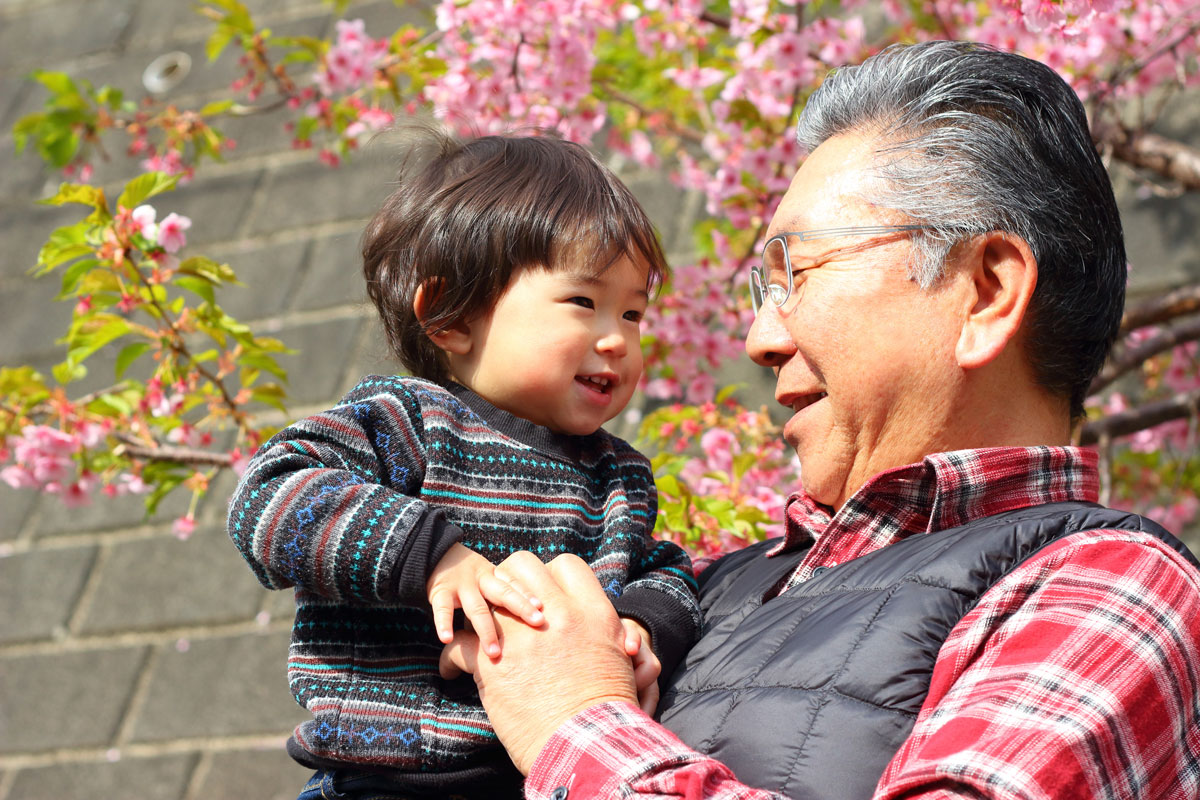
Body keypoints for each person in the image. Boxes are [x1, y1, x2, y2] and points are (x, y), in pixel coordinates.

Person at [439, 41, 1200, 799]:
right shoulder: (704, 590)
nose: (760, 341)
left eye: (796, 275)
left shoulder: (1113, 586)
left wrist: (577, 719)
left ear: (987, 292)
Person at [226, 127, 700, 799]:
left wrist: (642, 627)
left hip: (551, 771)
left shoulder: (617, 477)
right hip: (388, 777)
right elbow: (270, 497)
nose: (616, 339)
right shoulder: (408, 421)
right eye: (584, 302)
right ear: (450, 317)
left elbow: (666, 569)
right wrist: (434, 559)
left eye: (633, 313)